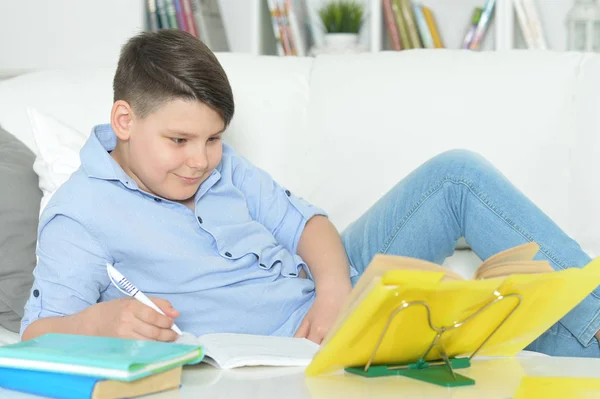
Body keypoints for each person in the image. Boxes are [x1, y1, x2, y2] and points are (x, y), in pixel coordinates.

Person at [20, 30, 599, 357]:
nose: (200, 160)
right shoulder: (82, 214)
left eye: (214, 139)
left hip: (333, 286)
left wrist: (333, 288)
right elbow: (34, 339)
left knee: (456, 175)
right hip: (301, 339)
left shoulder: (213, 164)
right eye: (179, 140)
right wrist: (102, 321)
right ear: (125, 119)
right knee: (496, 322)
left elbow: (308, 225)